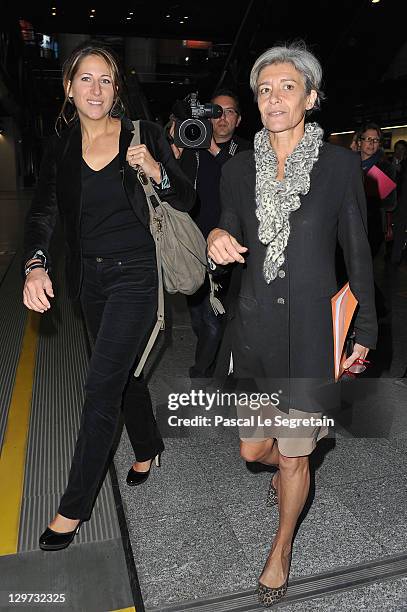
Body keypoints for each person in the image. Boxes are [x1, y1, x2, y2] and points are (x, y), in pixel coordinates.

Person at [207, 42, 377, 606]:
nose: (273, 97)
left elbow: (358, 255)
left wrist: (366, 332)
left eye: (286, 86)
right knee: (255, 453)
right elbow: (228, 220)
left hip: (309, 337)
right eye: (263, 88)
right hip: (254, 333)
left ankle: (280, 550)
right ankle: (288, 475)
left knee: (297, 451)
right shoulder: (237, 168)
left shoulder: (338, 167)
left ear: (310, 95)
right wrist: (216, 236)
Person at [22, 42, 195, 551]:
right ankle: (148, 445)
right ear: (69, 87)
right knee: (119, 371)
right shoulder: (60, 146)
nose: (96, 89)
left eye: (106, 80)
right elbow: (43, 214)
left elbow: (186, 198)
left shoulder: (145, 136)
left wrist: (158, 172)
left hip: (136, 276)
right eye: (86, 79)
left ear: (117, 89)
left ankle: (71, 508)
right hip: (88, 281)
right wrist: (35, 264)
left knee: (99, 389)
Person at [170, 89, 251, 377]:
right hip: (193, 247)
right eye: (214, 111)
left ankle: (203, 374)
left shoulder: (245, 152)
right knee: (199, 317)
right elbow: (170, 186)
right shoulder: (190, 143)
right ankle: (213, 362)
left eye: (228, 112)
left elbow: (244, 183)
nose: (221, 117)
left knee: (217, 320)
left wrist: (212, 149)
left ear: (238, 119)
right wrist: (175, 149)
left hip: (231, 250)